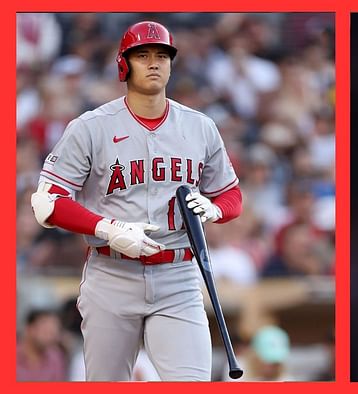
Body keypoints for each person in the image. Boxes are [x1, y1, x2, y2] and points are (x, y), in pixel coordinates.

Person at [30, 20, 243, 381]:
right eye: (142, 55)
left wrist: (215, 208)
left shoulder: (199, 126)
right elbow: (47, 202)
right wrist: (107, 228)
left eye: (162, 55)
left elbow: (232, 194)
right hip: (112, 272)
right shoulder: (91, 127)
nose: (154, 62)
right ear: (123, 65)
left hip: (179, 274)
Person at [16, 309, 67, 381]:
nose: (51, 336)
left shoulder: (56, 358)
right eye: (46, 330)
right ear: (29, 328)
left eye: (53, 331)